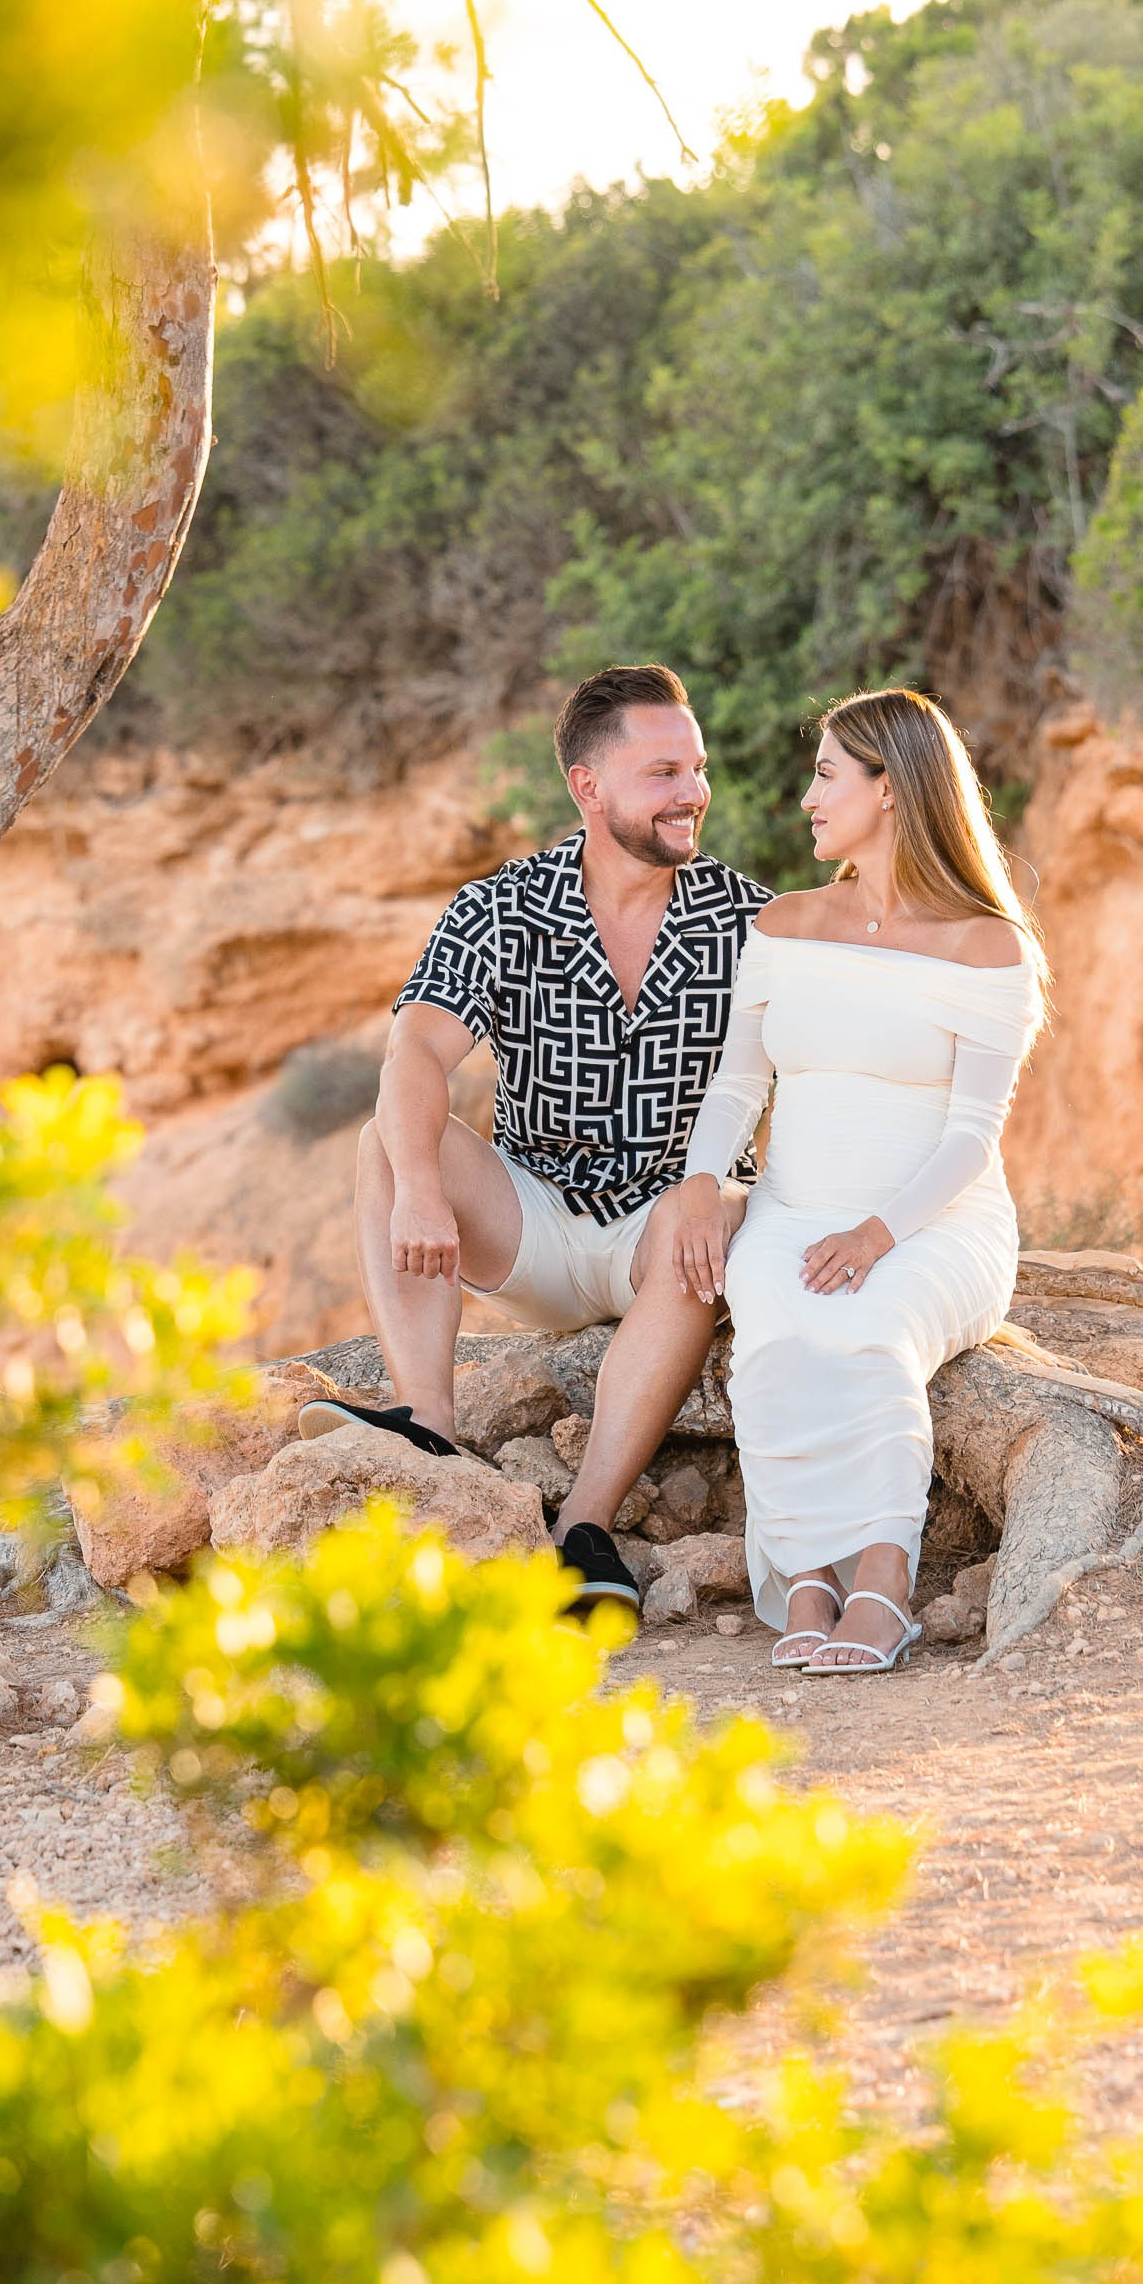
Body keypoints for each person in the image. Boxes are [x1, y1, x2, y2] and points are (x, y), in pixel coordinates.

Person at [301, 663, 769, 1617]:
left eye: (697, 769)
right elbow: (417, 1051)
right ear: (588, 787)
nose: (694, 794)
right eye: (663, 774)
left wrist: (725, 1192)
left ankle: (584, 1533)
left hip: (671, 1226)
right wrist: (426, 1192)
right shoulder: (503, 908)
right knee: (383, 1142)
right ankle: (427, 1422)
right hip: (535, 1214)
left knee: (707, 1216)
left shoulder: (751, 923)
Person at [669, 687, 1045, 1674]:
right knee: (778, 1333)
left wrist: (875, 1238)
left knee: (867, 1333)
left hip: (933, 1224)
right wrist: (703, 1185)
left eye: (826, 773)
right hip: (791, 1208)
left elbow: (969, 1139)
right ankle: (805, 1581)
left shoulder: (987, 945)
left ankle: (880, 1586)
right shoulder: (785, 925)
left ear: (890, 790)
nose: (804, 797)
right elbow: (739, 1081)